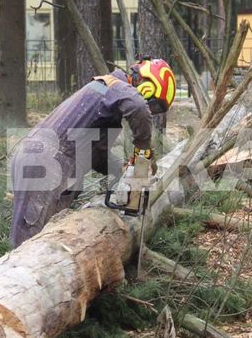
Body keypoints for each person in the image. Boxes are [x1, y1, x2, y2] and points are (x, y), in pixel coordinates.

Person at [10, 58, 177, 246]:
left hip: (50, 159)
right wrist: (143, 153)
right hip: (47, 161)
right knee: (29, 243)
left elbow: (97, 155)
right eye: (153, 105)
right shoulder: (116, 86)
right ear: (147, 85)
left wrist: (122, 170)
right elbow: (139, 107)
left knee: (48, 240)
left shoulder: (105, 93)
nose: (151, 109)